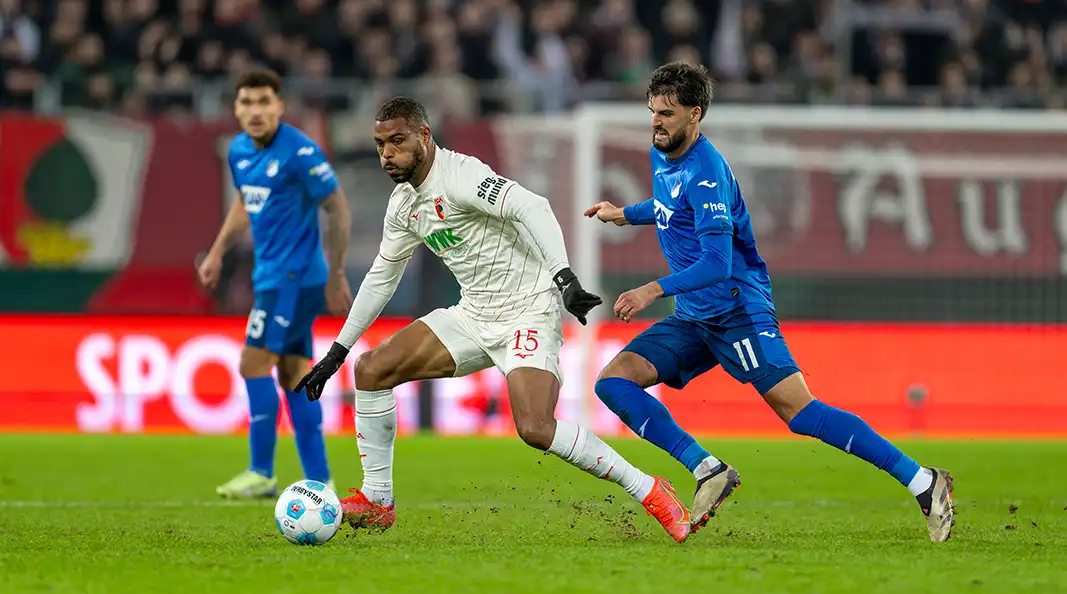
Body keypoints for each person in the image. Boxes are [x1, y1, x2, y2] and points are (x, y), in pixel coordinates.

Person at [584, 62, 956, 542]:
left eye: (668, 113)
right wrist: (625, 214)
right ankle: (707, 468)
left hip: (736, 308)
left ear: (695, 115)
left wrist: (652, 289)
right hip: (696, 316)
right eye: (653, 111)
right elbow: (669, 208)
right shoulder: (665, 152)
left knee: (799, 413)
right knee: (614, 384)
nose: (656, 121)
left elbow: (717, 264)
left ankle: (924, 483)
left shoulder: (705, 172)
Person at [296, 96, 696, 543]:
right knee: (370, 370)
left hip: (527, 311)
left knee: (535, 427)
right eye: (380, 144)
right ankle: (377, 501)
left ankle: (649, 489)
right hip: (472, 314)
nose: (387, 154)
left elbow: (534, 207)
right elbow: (380, 279)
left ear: (424, 137)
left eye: (398, 141)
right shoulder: (403, 204)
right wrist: (337, 352)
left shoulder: (462, 176)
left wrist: (564, 280)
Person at [198, 68, 352, 499]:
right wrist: (217, 250)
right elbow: (246, 202)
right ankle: (321, 481)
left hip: (294, 278)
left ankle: (261, 472)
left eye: (265, 101)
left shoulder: (301, 151)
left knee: (252, 363)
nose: (256, 110)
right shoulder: (238, 151)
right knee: (293, 374)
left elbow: (338, 209)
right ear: (236, 108)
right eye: (247, 102)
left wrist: (337, 272)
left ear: (280, 106)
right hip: (274, 275)